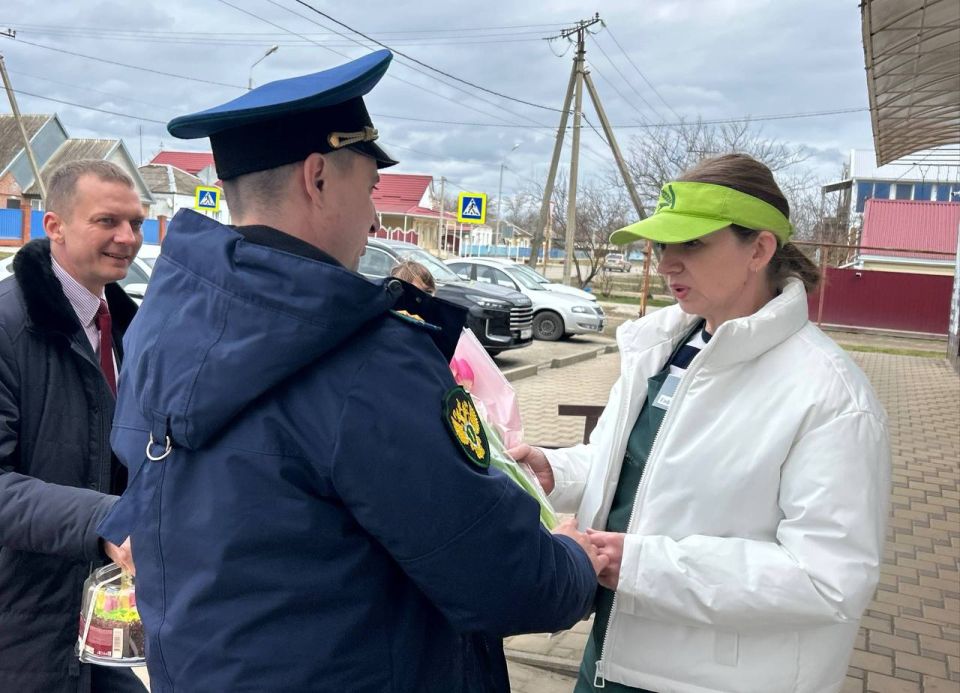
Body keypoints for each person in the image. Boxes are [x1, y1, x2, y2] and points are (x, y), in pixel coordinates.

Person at [97, 49, 603, 693]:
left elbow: (146, 488)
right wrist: (573, 560)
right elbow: (506, 581)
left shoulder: (161, 324)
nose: (374, 218)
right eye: (369, 190)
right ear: (317, 178)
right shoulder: (368, 358)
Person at [511, 153, 891, 693]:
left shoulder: (830, 396)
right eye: (662, 244)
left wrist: (637, 565)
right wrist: (559, 471)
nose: (667, 263)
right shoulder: (660, 349)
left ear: (759, 249)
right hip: (612, 656)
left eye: (691, 244)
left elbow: (828, 578)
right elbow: (633, 466)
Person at [0, 159, 145, 693]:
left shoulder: (132, 329)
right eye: (107, 221)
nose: (127, 237)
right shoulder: (8, 327)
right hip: (22, 628)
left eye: (135, 222)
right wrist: (107, 521)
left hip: (103, 620)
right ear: (54, 226)